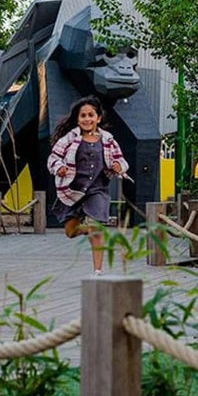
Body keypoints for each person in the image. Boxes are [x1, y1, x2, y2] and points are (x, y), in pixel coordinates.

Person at [47, 96, 129, 275]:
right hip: (72, 189)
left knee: (97, 229)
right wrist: (59, 168)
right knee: (70, 232)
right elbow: (53, 158)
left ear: (98, 118)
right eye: (83, 115)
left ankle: (97, 271)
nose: (87, 119)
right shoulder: (69, 139)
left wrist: (118, 167)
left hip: (97, 190)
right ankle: (87, 228)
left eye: (91, 115)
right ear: (77, 119)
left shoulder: (108, 140)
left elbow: (121, 161)